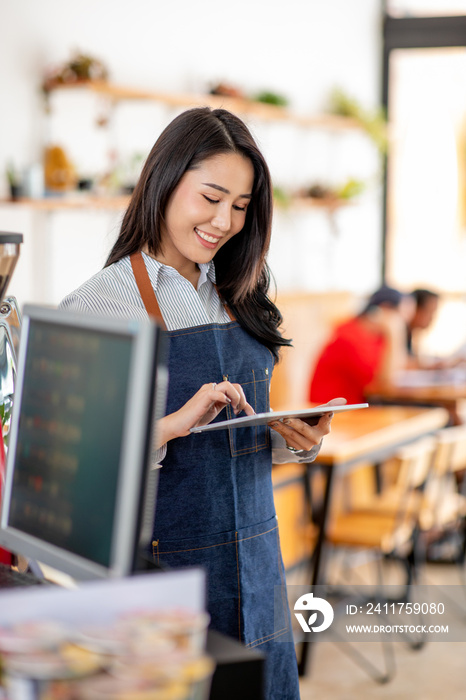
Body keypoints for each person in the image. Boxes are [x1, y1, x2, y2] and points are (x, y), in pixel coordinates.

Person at [60, 107, 345, 700]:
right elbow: (77, 475)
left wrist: (293, 441)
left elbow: (238, 439)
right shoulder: (98, 305)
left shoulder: (239, 291)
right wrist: (168, 426)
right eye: (211, 197)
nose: (225, 221)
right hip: (165, 579)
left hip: (261, 564)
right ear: (164, 181)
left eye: (241, 206)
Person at [309, 285, 414, 405]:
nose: (405, 322)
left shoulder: (376, 336)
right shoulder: (348, 336)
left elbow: (398, 368)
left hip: (356, 408)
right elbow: (386, 384)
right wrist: (395, 333)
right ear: (385, 309)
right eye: (403, 314)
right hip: (334, 415)